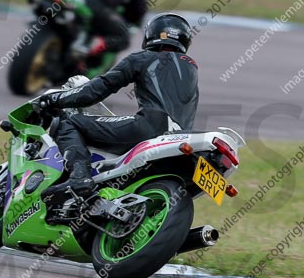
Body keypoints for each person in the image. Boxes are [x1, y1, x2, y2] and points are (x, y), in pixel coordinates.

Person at [37, 13, 199, 201]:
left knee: (69, 123)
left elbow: (94, 91)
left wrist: (54, 99)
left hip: (150, 127)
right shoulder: (192, 71)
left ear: (151, 34)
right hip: (179, 136)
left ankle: (79, 177)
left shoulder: (143, 58)